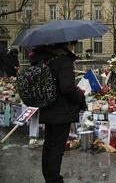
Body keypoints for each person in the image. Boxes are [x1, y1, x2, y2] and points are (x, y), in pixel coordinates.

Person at [27, 41, 87, 183]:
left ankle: (48, 176)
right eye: (73, 44)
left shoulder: (44, 58)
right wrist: (80, 96)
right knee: (57, 148)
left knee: (49, 144)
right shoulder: (64, 60)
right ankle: (54, 179)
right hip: (62, 110)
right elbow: (67, 87)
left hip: (47, 106)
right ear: (67, 44)